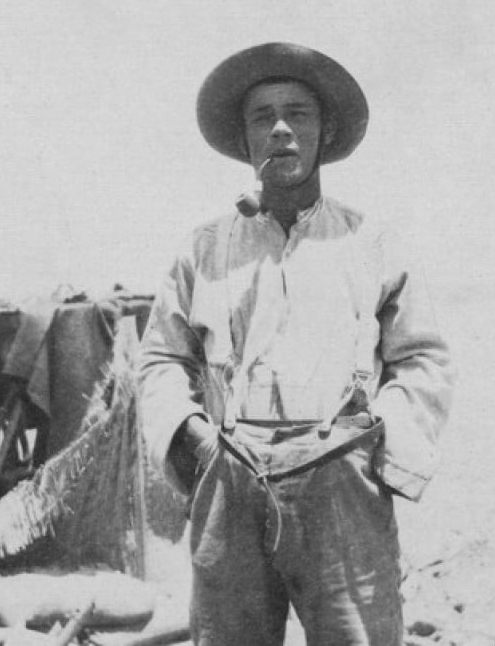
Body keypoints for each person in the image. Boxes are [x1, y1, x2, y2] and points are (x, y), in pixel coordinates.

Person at [138, 42, 456, 646]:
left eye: (298, 115)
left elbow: (423, 359)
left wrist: (375, 443)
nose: (280, 129)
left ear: (325, 132)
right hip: (229, 474)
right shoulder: (202, 249)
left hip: (341, 483)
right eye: (263, 117)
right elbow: (160, 359)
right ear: (245, 137)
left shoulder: (371, 243)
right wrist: (195, 440)